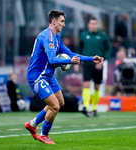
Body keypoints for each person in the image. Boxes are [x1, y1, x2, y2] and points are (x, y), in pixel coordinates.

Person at [24, 10, 104, 144]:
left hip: (48, 76)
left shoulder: (56, 38)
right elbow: (52, 59)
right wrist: (69, 61)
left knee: (60, 102)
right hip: (37, 76)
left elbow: (71, 54)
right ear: (54, 22)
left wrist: (91, 59)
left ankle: (32, 124)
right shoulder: (47, 37)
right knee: (54, 106)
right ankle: (44, 134)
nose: (64, 24)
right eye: (62, 21)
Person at [76, 17, 111, 117]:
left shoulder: (103, 36)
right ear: (88, 25)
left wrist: (103, 60)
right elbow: (79, 49)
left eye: (95, 24)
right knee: (86, 84)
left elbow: (108, 49)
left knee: (97, 86)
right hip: (87, 64)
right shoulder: (83, 35)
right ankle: (86, 107)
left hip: (98, 65)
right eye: (91, 24)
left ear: (98, 25)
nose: (93, 25)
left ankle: (94, 108)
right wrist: (77, 62)